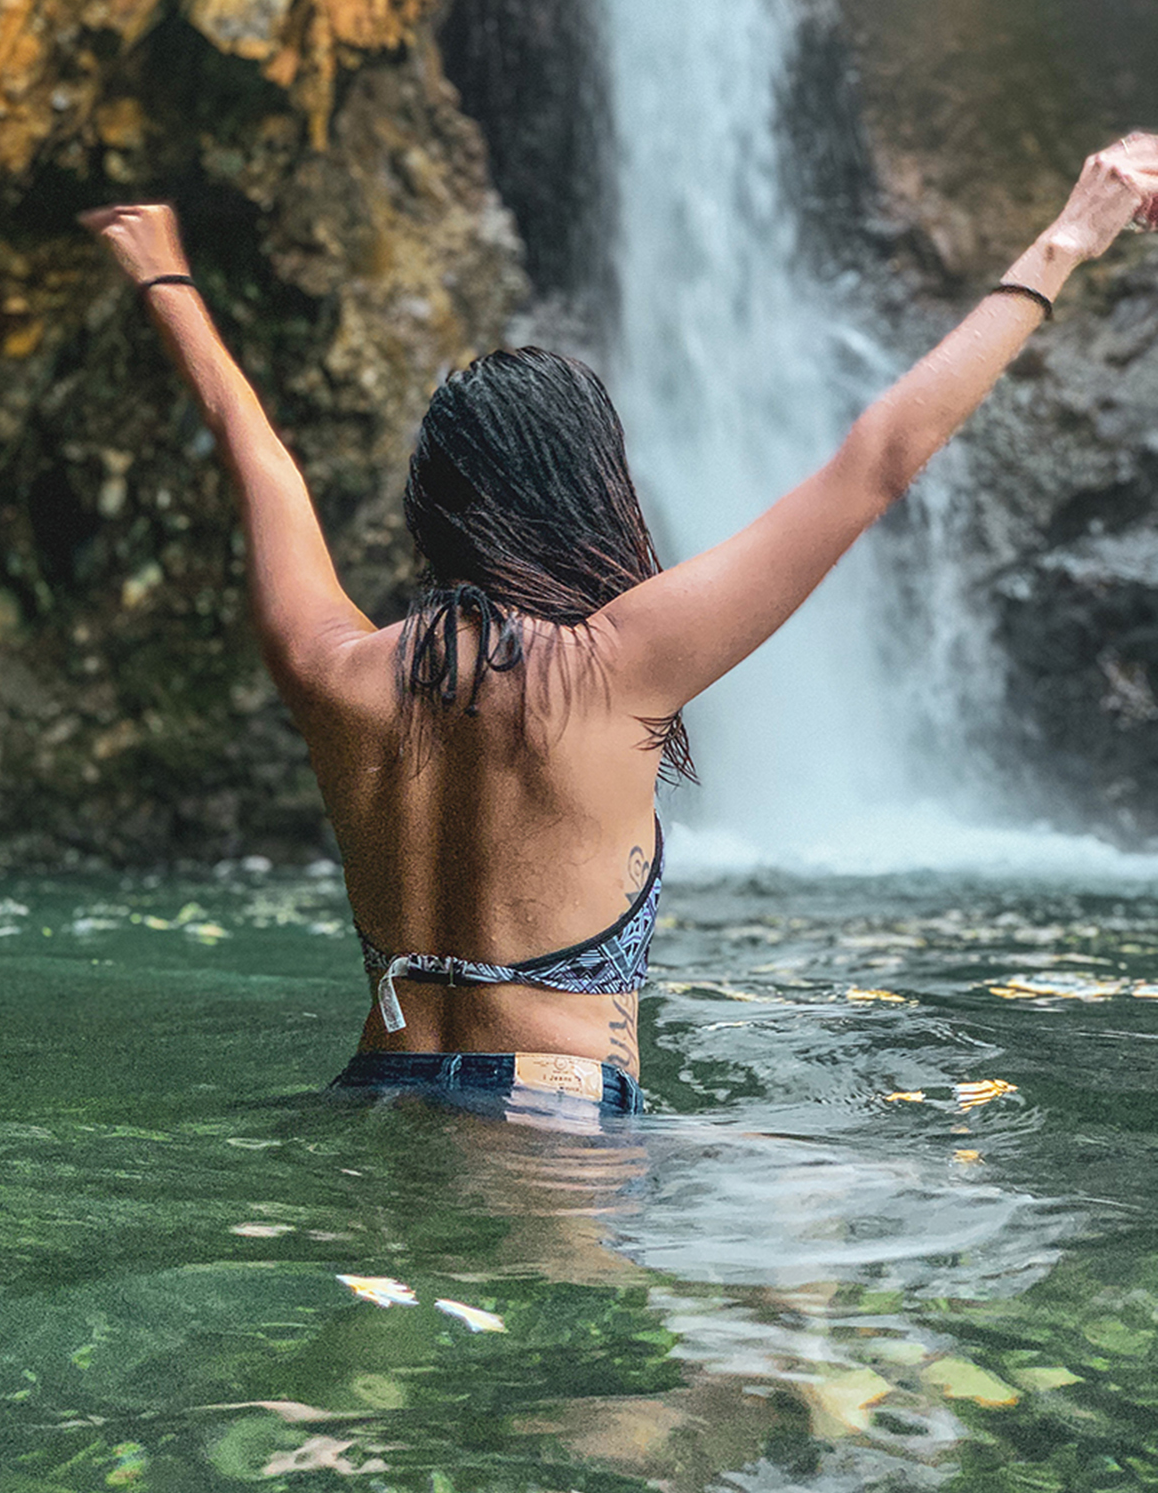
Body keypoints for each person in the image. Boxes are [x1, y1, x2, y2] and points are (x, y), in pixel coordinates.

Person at [79, 132, 1158, 1117]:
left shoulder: (334, 670)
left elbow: (250, 445)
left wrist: (165, 277)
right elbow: (875, 462)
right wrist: (1065, 240)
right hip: (554, 1113)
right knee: (799, 1238)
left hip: (375, 1092)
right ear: (591, 490)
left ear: (434, 504)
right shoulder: (615, 664)